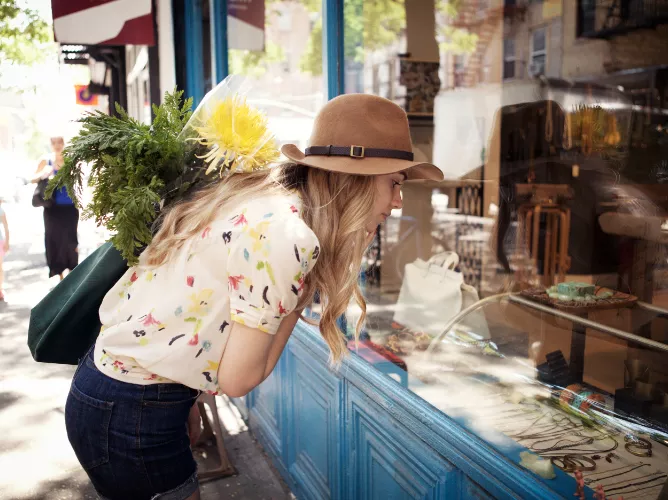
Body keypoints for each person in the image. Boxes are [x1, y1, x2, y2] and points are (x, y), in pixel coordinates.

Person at [64, 93, 443, 500]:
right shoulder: (289, 236)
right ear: (356, 181)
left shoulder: (261, 196)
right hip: (133, 411)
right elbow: (239, 379)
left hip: (119, 392)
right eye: (395, 184)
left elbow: (177, 305)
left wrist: (183, 400)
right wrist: (301, 295)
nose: (398, 202)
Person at [31, 136, 79, 280]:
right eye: (54, 143)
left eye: (60, 142)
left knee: (71, 240)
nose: (57, 145)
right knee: (54, 240)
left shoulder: (70, 160)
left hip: (70, 207)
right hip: (52, 209)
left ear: (64, 144)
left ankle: (72, 272)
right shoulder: (46, 161)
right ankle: (59, 275)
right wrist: (43, 174)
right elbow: (32, 178)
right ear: (50, 145)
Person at [0, 198, 9, 301]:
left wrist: (7, 242)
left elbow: (6, 227)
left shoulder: (1, 210)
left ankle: (0, 289)